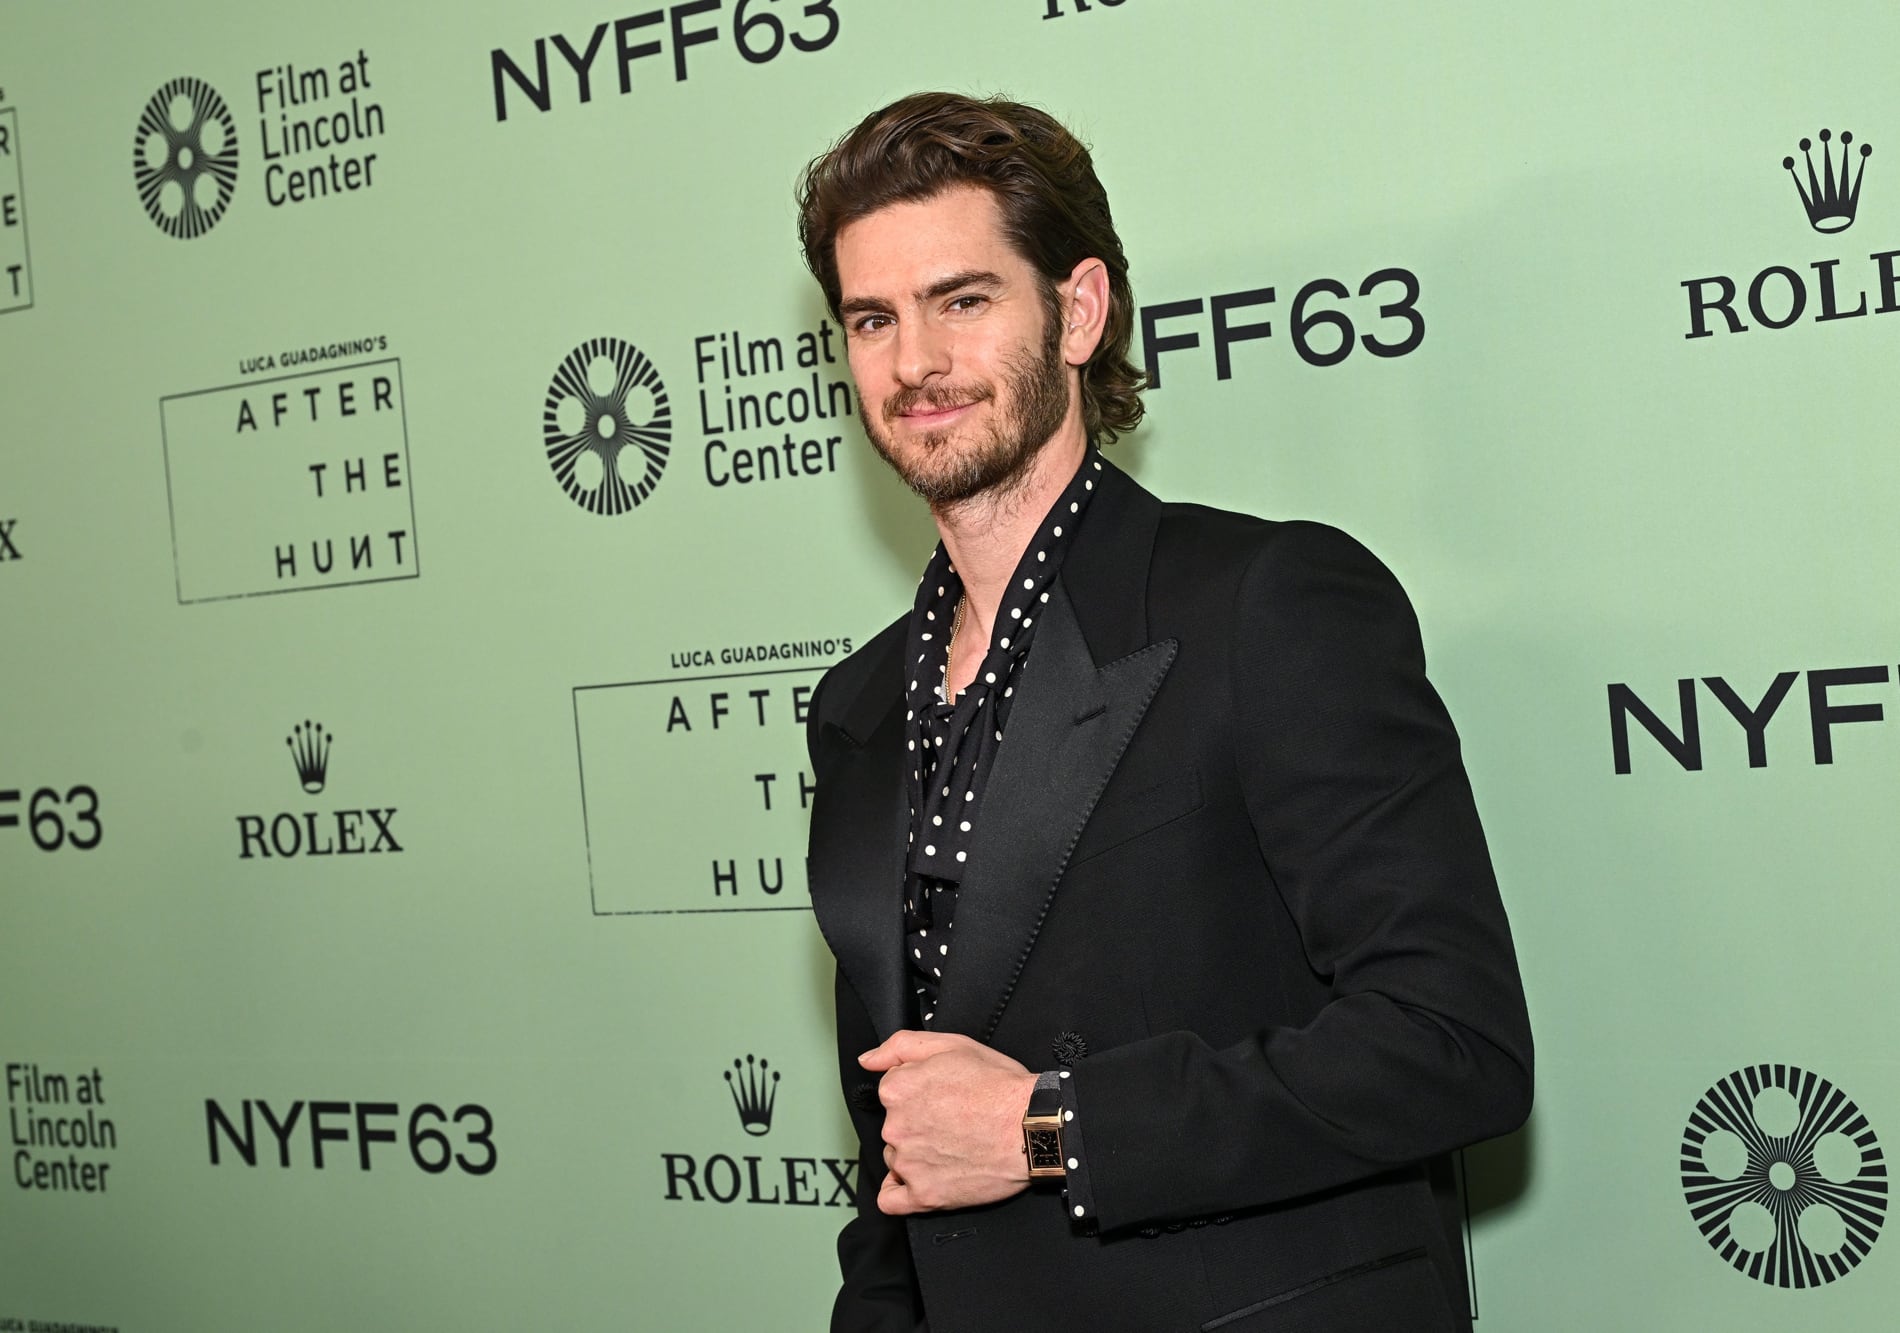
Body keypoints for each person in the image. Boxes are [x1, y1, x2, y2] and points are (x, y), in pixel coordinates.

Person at [797, 91, 1532, 1333]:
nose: (914, 362)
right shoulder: (861, 706)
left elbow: (1450, 1041)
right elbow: (903, 1150)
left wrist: (1048, 1126)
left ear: (1076, 311)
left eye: (962, 301)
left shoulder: (1266, 604)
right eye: (873, 319)